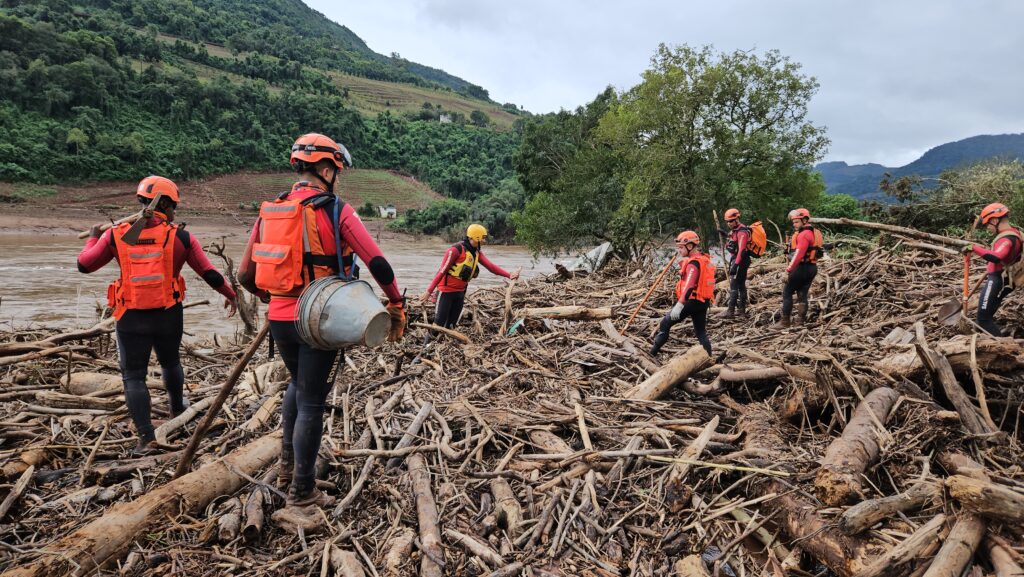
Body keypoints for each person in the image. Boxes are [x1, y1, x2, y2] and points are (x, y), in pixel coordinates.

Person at [238, 133, 406, 510]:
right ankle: (301, 491)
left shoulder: (273, 208)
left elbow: (245, 274)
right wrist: (395, 303)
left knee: (298, 385)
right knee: (312, 400)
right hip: (319, 321)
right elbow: (377, 262)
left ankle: (286, 469)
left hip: (281, 319)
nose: (339, 179)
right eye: (338, 172)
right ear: (327, 169)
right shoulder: (335, 209)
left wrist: (275, 296)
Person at [77, 176, 238, 455]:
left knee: (134, 376)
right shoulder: (181, 236)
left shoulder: (115, 234)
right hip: (168, 314)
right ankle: (177, 407)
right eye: (173, 206)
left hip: (130, 315)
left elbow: (84, 265)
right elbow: (209, 273)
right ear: (163, 203)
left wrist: (93, 236)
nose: (175, 211)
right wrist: (231, 294)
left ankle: (146, 438)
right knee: (170, 362)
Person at [420, 223, 520, 329]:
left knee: (451, 325)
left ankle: (444, 344)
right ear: (476, 237)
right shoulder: (455, 250)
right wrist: (429, 291)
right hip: (445, 292)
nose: (484, 240)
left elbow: (491, 267)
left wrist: (509, 275)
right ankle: (427, 345)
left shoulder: (476, 252)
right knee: (438, 324)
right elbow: (441, 271)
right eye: (483, 237)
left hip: (460, 293)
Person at [650, 231, 715, 357]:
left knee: (665, 323)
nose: (679, 250)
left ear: (690, 246)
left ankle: (652, 353)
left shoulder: (693, 263)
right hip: (703, 302)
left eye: (681, 247)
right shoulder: (703, 259)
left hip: (691, 302)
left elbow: (690, 285)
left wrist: (679, 305)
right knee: (701, 332)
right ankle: (709, 357)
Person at [962, 203, 1021, 336]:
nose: (987, 228)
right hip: (1002, 279)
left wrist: (973, 247)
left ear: (995, 220)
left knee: (983, 320)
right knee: (985, 316)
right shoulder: (1014, 232)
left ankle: (1003, 349)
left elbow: (996, 257)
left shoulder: (1007, 238)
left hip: (998, 281)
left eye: (987, 224)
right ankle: (985, 338)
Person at [776, 208, 823, 328]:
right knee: (802, 294)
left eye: (797, 222)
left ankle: (785, 322)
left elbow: (798, 255)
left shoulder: (803, 235)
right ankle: (800, 322)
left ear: (805, 220)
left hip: (801, 268)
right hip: (812, 268)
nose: (794, 225)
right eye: (793, 222)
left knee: (787, 292)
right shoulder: (814, 232)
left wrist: (788, 271)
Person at [720, 208, 750, 318]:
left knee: (734, 285)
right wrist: (725, 235)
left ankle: (730, 311)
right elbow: (734, 241)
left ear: (737, 219)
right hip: (738, 260)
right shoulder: (735, 231)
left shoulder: (742, 232)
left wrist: (736, 265)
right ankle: (741, 311)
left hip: (740, 260)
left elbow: (741, 250)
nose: (729, 223)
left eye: (731, 221)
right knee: (741, 285)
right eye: (728, 221)